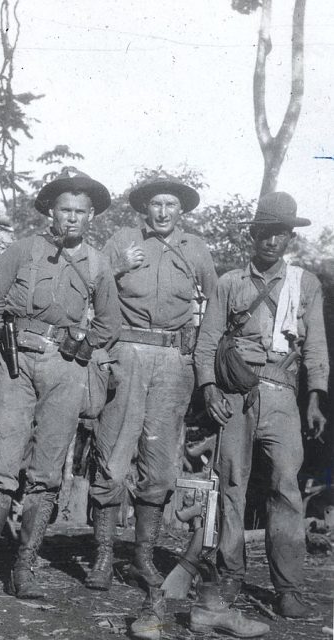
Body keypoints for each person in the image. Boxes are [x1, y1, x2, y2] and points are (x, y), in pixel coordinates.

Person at [0, 168, 121, 604]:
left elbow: (109, 323)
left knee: (48, 472)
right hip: (16, 365)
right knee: (1, 466)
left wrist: (82, 345)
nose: (71, 218)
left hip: (66, 369)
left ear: (91, 217)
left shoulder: (97, 263)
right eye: (64, 210)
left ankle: (24, 567)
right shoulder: (22, 250)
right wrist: (8, 339)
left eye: (80, 212)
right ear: (50, 212)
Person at [194, 191, 329, 621]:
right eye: (265, 233)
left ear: (290, 237)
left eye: (280, 234)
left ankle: (288, 588)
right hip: (234, 394)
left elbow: (316, 350)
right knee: (231, 484)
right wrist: (210, 390)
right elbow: (206, 343)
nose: (271, 242)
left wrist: (315, 399)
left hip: (283, 396)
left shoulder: (305, 284)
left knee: (287, 489)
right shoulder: (230, 282)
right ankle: (231, 575)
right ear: (253, 235)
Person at [86, 176, 217, 591]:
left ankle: (142, 559)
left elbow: (217, 304)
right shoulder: (122, 238)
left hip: (174, 361)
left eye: (171, 205)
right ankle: (104, 558)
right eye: (156, 204)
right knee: (113, 454)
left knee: (160, 464)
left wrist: (201, 352)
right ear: (145, 209)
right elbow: (89, 284)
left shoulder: (195, 248)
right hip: (127, 352)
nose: (162, 212)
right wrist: (118, 266)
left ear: (181, 211)